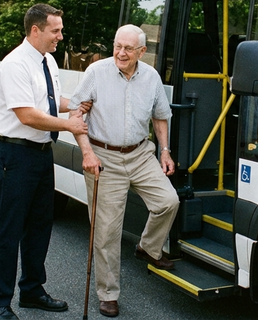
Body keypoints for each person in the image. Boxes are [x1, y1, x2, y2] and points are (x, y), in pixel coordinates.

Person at [0, 4, 89, 320]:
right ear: (36, 30)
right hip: (14, 157)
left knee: (40, 228)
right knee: (9, 231)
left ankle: (32, 291)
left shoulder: (48, 61)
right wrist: (71, 125)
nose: (61, 36)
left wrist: (77, 104)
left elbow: (48, 102)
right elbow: (28, 115)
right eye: (55, 30)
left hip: (42, 156)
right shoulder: (15, 64)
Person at [71, 24, 179, 318]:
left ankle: (148, 247)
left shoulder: (152, 77)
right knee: (106, 232)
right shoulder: (97, 72)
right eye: (117, 46)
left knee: (168, 202)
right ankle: (108, 294)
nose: (120, 52)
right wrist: (88, 152)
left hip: (140, 153)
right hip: (104, 155)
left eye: (128, 48)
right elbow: (75, 113)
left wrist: (164, 151)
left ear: (141, 52)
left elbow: (160, 117)